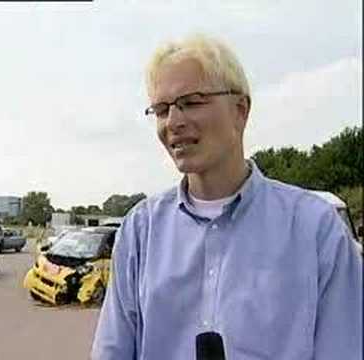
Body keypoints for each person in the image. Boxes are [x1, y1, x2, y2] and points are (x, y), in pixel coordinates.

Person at [91, 34, 362, 359]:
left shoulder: (316, 229)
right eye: (161, 110)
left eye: (191, 102)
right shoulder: (140, 230)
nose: (174, 122)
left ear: (240, 110)